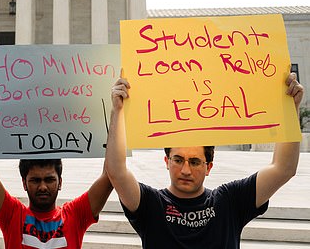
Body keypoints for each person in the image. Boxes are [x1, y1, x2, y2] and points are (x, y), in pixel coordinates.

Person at [107, 72, 304, 248]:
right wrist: (118, 111)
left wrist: (290, 108)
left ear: (209, 166)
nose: (185, 170)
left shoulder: (229, 201)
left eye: (194, 162)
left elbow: (283, 169)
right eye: (178, 160)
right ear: (166, 161)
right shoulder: (151, 205)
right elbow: (116, 172)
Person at [0, 79, 113, 249]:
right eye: (35, 180)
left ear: (60, 182)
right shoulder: (13, 215)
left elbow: (110, 175)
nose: (43, 187)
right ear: (24, 183)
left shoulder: (75, 215)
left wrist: (116, 114)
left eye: (49, 179)